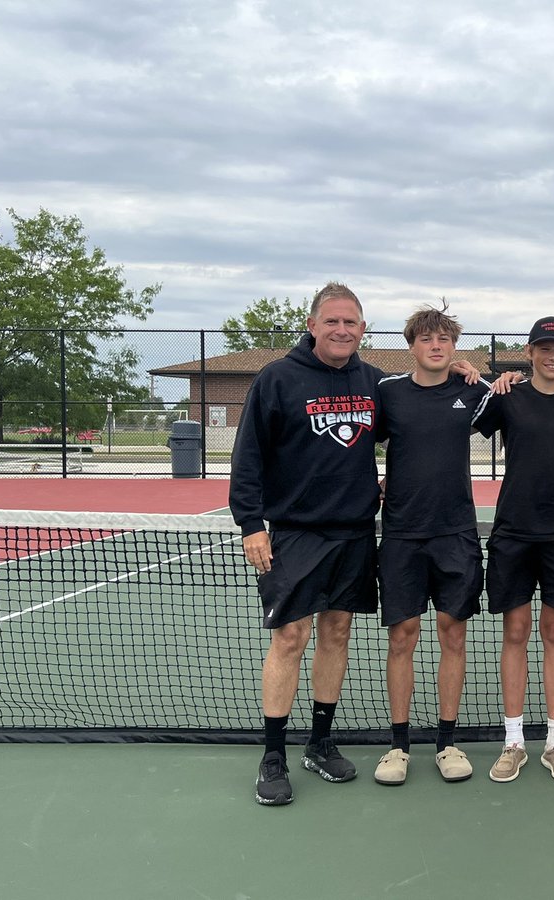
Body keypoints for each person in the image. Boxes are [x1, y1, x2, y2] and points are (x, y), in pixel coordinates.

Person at [230, 282, 383, 806]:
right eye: (332, 321)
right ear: (313, 325)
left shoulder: (373, 382)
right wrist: (251, 524)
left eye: (351, 322)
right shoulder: (277, 378)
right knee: (290, 638)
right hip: (295, 533)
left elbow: (414, 420)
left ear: (363, 329)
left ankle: (320, 743)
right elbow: (247, 457)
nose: (342, 330)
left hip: (355, 532)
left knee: (336, 633)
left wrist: (463, 372)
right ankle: (273, 755)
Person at [471, 315, 554, 783]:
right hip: (513, 534)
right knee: (515, 633)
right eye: (545, 348)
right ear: (529, 352)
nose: (553, 356)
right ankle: (513, 742)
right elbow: (465, 418)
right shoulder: (507, 396)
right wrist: (486, 379)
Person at [371, 303, 490, 786]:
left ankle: (447, 743)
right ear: (412, 346)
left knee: (452, 635)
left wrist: (482, 376)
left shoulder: (472, 391)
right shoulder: (388, 393)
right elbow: (357, 443)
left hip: (456, 534)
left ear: (454, 346)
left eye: (444, 339)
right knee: (402, 637)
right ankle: (398, 746)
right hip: (401, 535)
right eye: (426, 338)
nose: (436, 345)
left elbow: (523, 403)